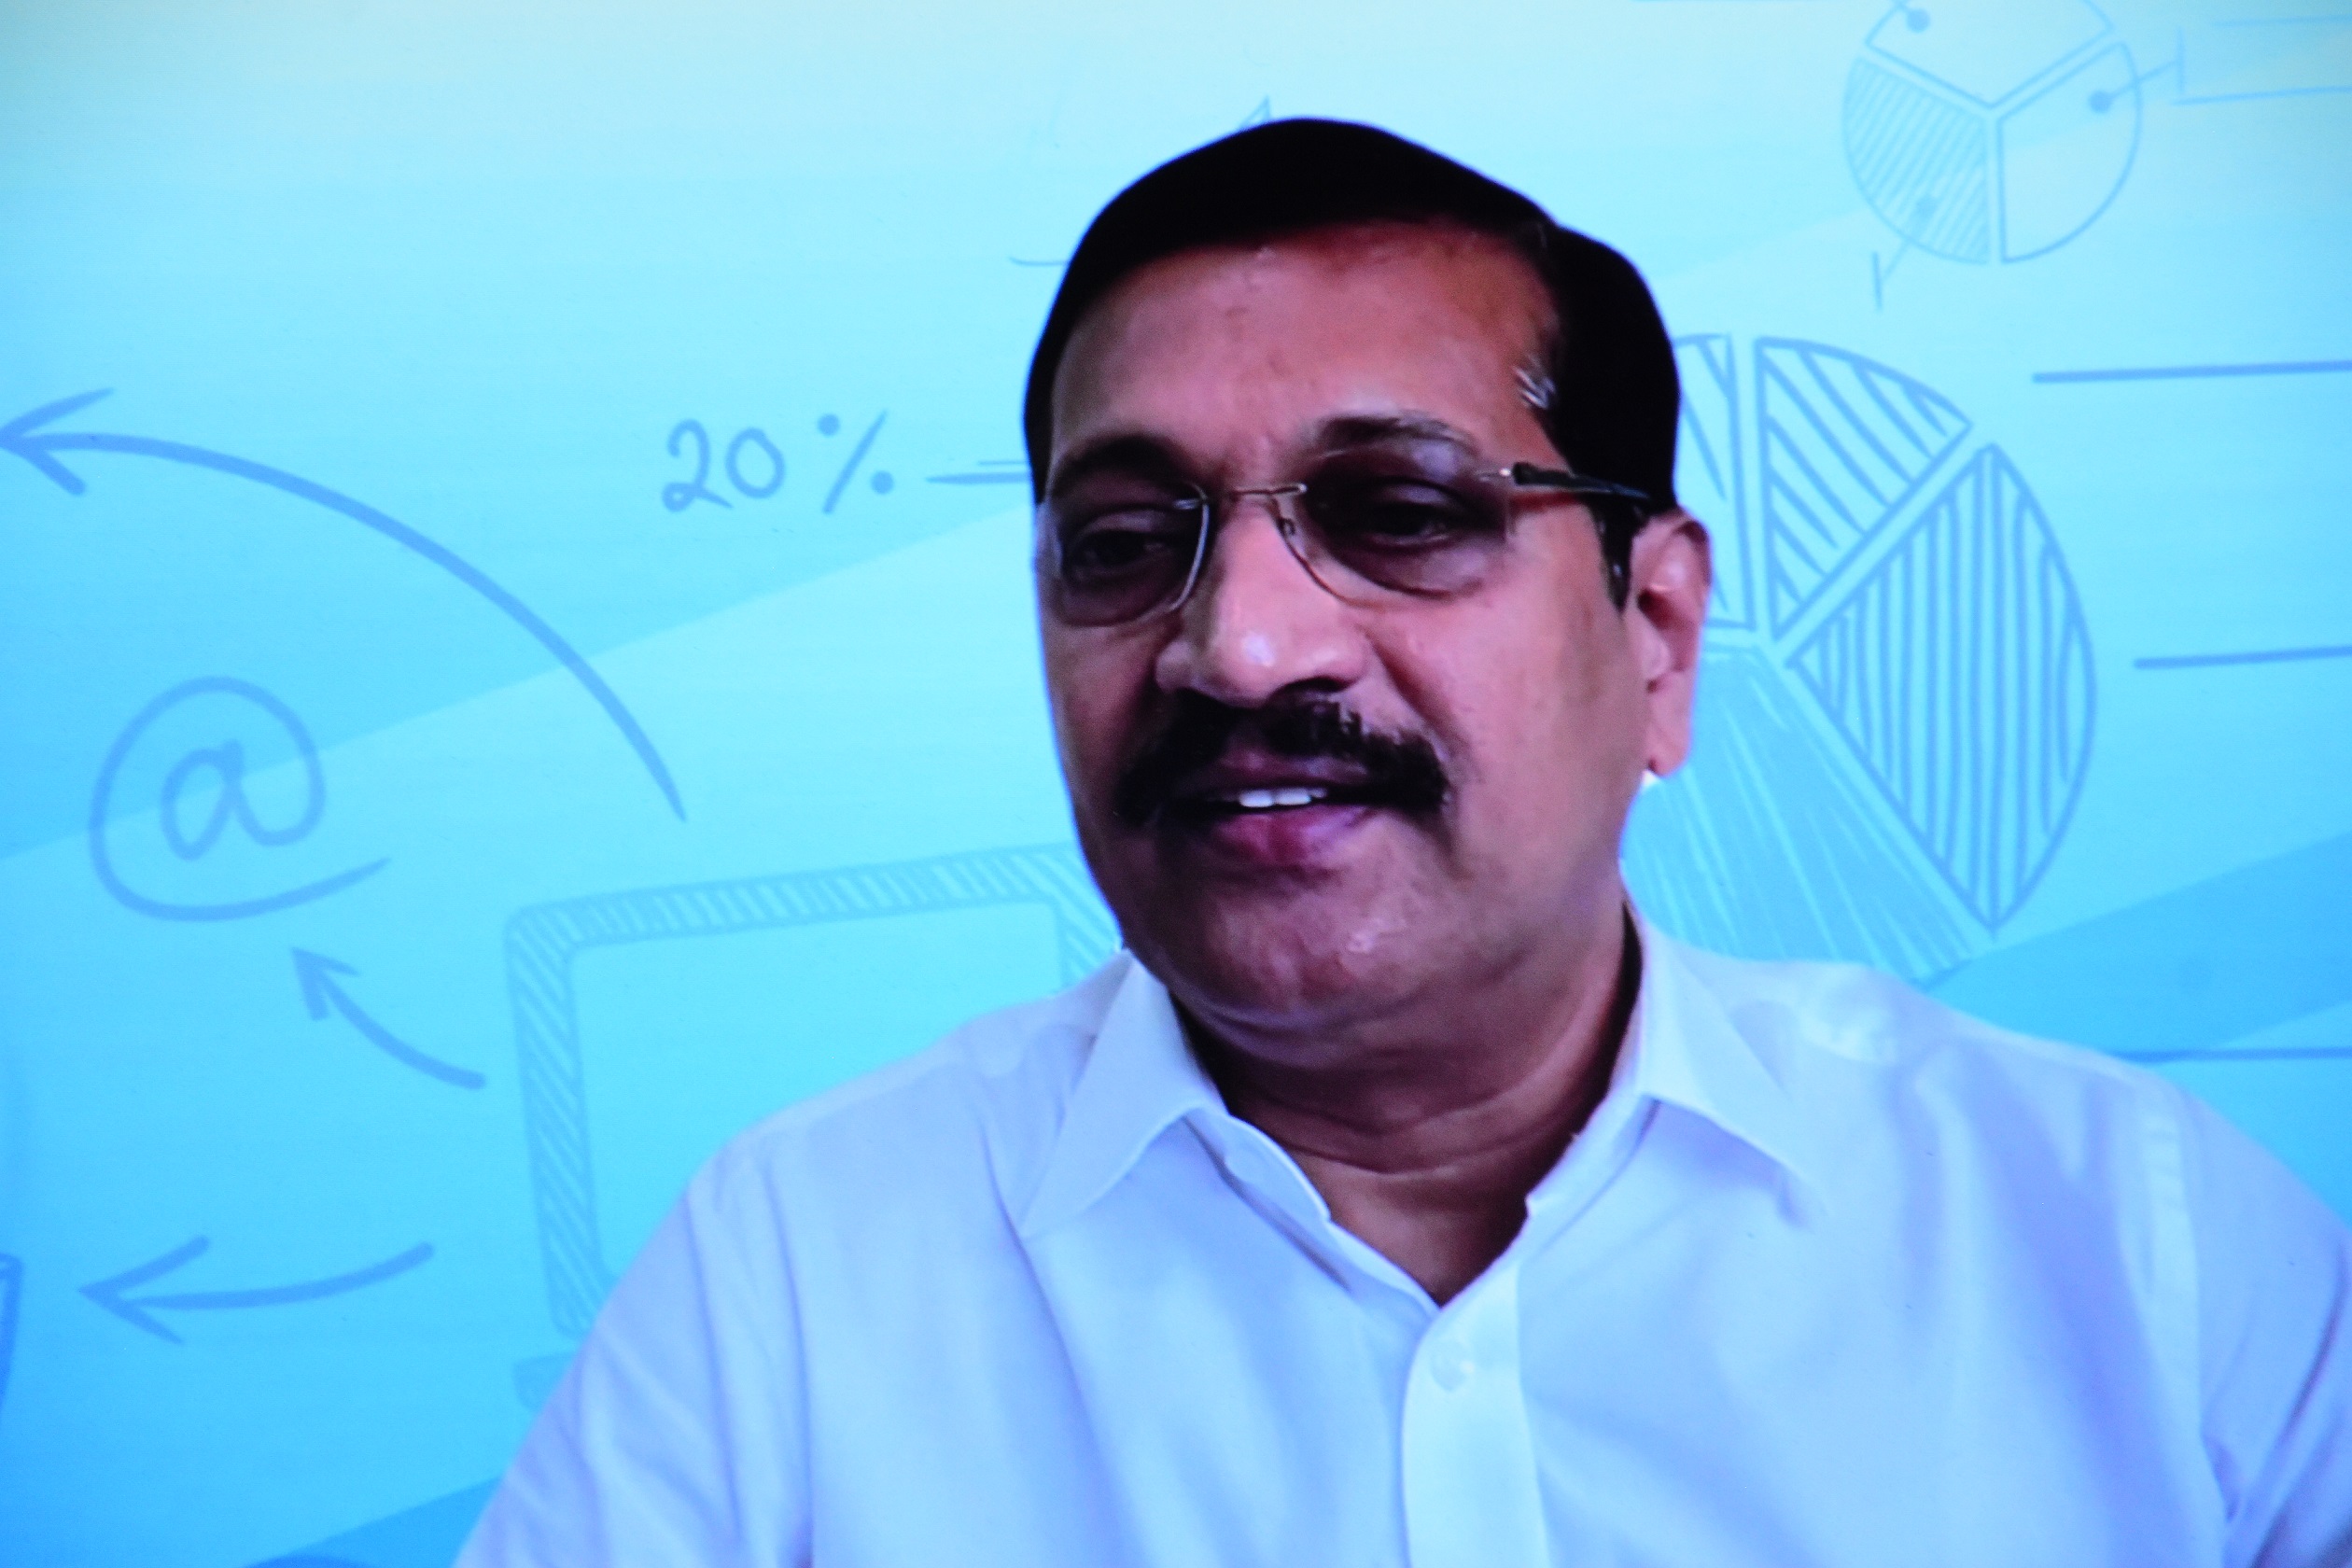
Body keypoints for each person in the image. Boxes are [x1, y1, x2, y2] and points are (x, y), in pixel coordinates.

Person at [459, 119, 2352, 1566]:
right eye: (1125, 544)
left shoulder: (2137, 1247)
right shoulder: (794, 1283)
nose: (1237, 647)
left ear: (1656, 632)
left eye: (1398, 513)